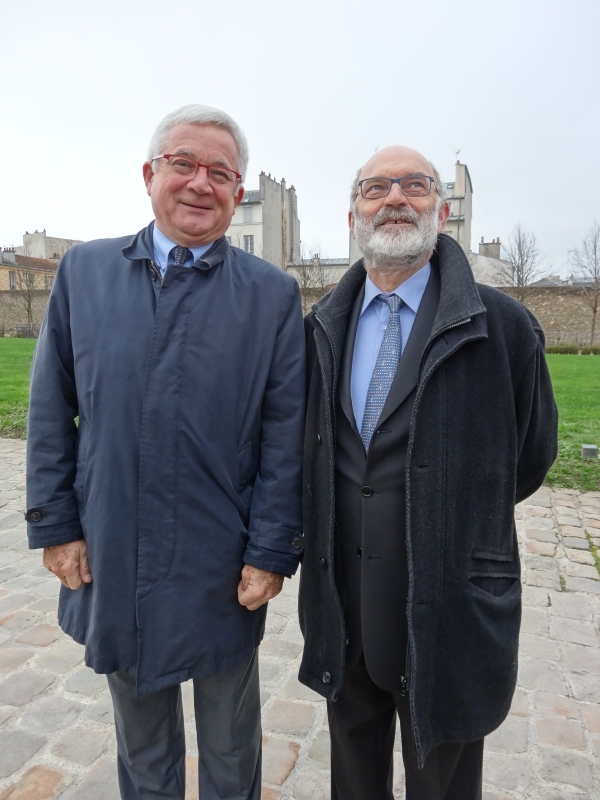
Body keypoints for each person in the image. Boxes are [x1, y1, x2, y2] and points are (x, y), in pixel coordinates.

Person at [26, 104, 305, 800]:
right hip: (114, 544)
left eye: (221, 173)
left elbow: (285, 431)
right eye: (184, 164)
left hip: (221, 557)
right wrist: (56, 526)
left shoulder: (271, 295)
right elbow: (49, 408)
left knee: (230, 739)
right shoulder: (85, 272)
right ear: (151, 173)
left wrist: (271, 551)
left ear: (237, 193)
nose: (199, 184)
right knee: (142, 737)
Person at [298, 145, 557, 799]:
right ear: (353, 211)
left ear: (442, 210)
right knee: (353, 781)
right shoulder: (320, 328)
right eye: (376, 187)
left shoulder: (504, 328)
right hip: (345, 610)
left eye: (415, 185)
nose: (395, 198)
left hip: (448, 615)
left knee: (442, 784)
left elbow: (528, 460)